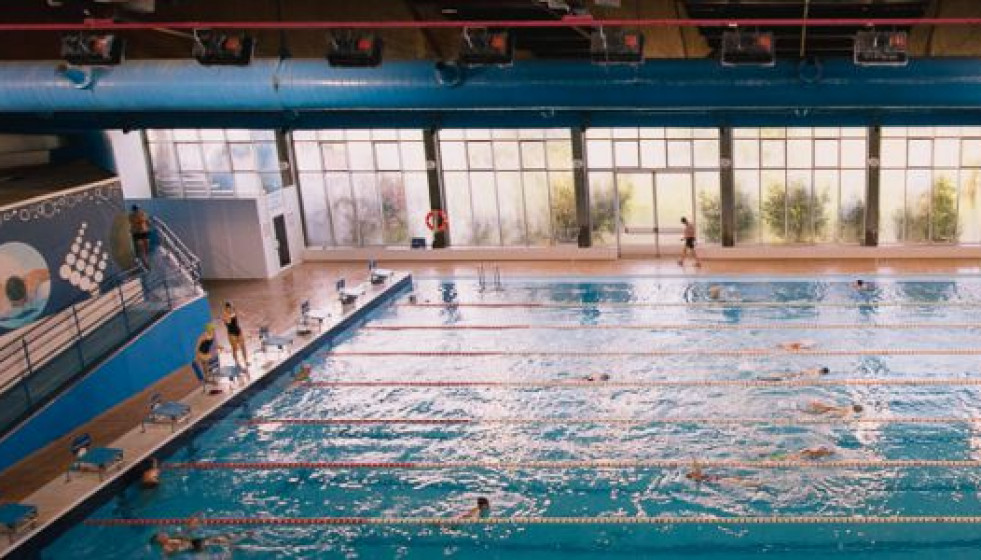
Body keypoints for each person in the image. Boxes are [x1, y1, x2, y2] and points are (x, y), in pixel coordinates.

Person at [685, 461, 761, 488]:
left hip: (720, 479)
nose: (693, 472)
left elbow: (698, 468)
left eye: (692, 472)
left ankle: (757, 484)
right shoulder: (698, 479)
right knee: (741, 483)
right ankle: (757, 485)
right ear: (692, 476)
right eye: (692, 473)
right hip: (721, 481)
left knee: (740, 479)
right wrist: (694, 459)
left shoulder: (699, 476)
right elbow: (698, 469)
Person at [222, 301, 248, 370]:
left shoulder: (233, 311)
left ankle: (246, 361)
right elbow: (228, 322)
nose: (230, 309)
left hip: (238, 331)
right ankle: (237, 363)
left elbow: (236, 321)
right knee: (235, 348)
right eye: (229, 308)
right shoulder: (224, 315)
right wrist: (230, 315)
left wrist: (235, 311)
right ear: (226, 308)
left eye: (231, 307)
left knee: (243, 346)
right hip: (231, 333)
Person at [129, 204, 151, 269]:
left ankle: (142, 261)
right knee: (144, 248)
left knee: (140, 248)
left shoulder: (131, 216)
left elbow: (132, 222)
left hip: (137, 233)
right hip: (142, 232)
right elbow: (147, 222)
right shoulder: (142, 214)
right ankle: (145, 262)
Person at [757, 366, 830, 382]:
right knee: (779, 379)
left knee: (780, 376)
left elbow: (805, 370)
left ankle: (762, 378)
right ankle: (762, 379)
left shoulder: (815, 368)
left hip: (797, 373)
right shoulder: (816, 375)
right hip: (797, 376)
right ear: (824, 373)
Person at [763, 446, 835, 461]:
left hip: (801, 458)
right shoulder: (811, 451)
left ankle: (769, 458)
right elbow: (803, 452)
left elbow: (831, 452)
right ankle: (768, 457)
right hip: (796, 457)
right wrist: (797, 457)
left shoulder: (821, 455)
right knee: (784, 458)